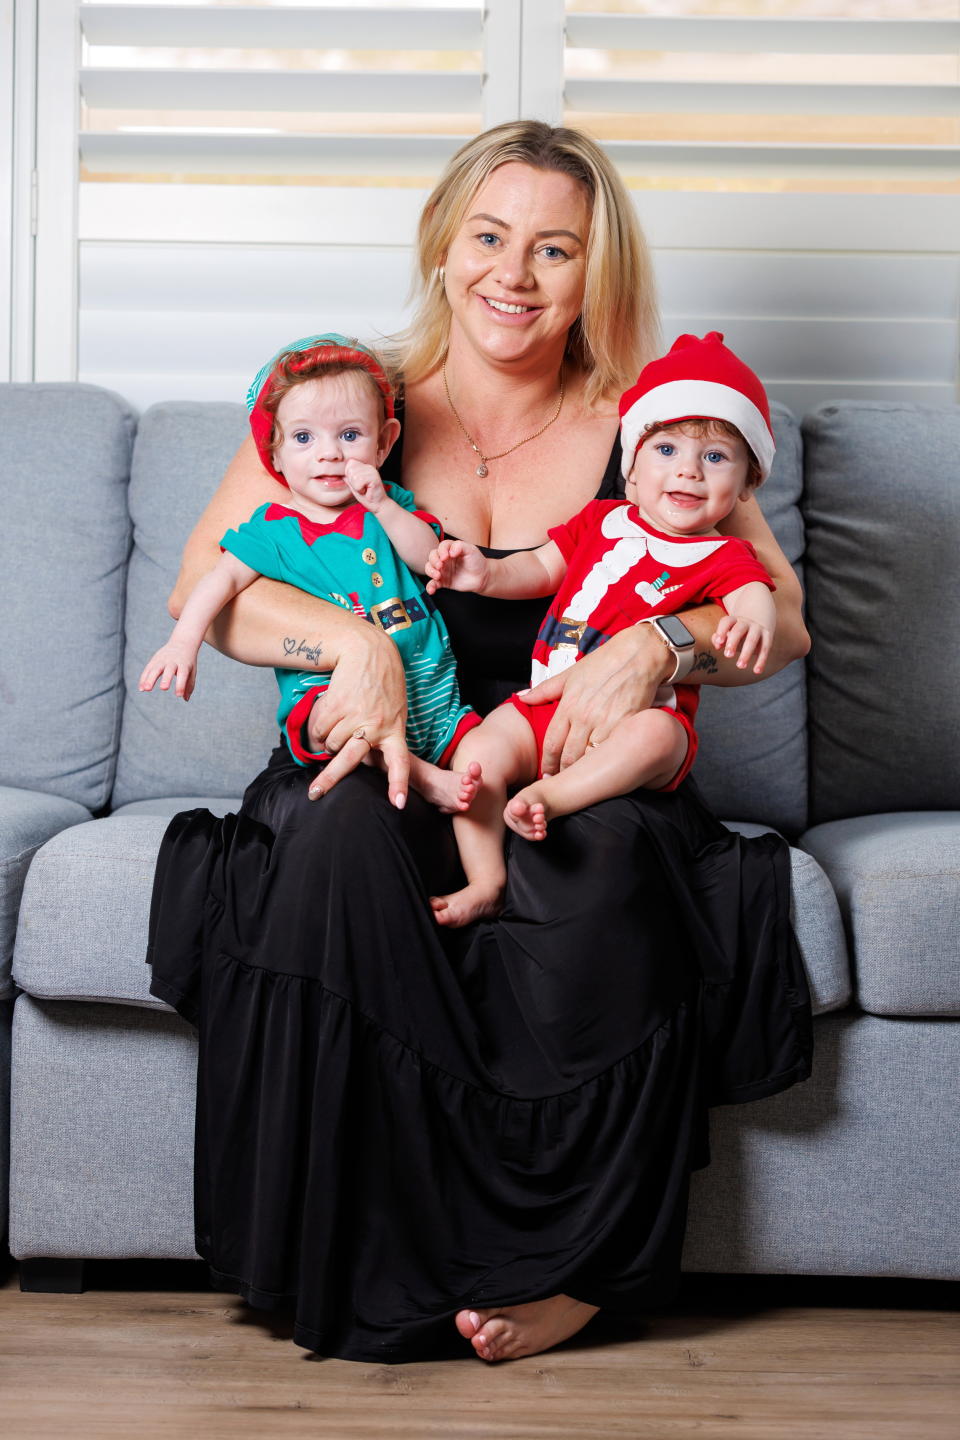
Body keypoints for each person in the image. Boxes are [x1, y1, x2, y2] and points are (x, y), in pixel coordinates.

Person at [147, 120, 813, 1366]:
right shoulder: (349, 406)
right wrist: (352, 655)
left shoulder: (651, 423)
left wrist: (658, 646)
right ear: (445, 248)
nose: (515, 273)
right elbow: (211, 586)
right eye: (491, 237)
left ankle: (574, 1269)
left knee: (608, 863)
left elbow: (777, 617)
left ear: (593, 274)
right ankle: (355, 1247)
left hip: (573, 755)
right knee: (342, 840)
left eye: (554, 249)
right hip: (384, 742)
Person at [424, 332, 779, 925]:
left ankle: (553, 798)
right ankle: (486, 879)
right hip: (548, 702)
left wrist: (754, 619)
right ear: (632, 467)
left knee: (659, 739)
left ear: (745, 486)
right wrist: (485, 574)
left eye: (715, 458)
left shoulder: (724, 554)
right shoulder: (602, 519)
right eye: (666, 449)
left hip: (638, 717)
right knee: (478, 750)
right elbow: (538, 566)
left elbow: (755, 593)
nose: (688, 471)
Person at [139, 334, 481, 814]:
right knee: (335, 726)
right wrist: (183, 643)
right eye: (304, 438)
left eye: (349, 435)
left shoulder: (387, 506)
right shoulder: (272, 531)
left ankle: (485, 880)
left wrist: (382, 505)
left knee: (484, 754)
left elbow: (425, 556)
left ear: (384, 443)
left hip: (428, 682)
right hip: (327, 686)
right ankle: (424, 780)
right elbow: (218, 581)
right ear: (274, 456)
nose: (329, 454)